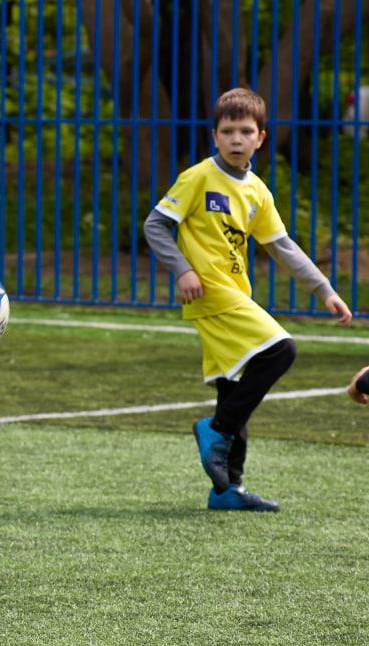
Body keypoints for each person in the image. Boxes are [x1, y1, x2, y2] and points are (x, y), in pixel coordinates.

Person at [143, 87, 353, 512]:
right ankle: (216, 430)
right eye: (227, 131)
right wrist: (183, 269)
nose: (236, 139)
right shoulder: (199, 177)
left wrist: (324, 288)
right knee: (281, 350)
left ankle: (227, 489)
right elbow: (155, 225)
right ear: (214, 136)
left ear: (261, 137)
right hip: (210, 293)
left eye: (245, 131)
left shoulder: (257, 191)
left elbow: (282, 246)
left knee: (233, 386)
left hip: (235, 294)